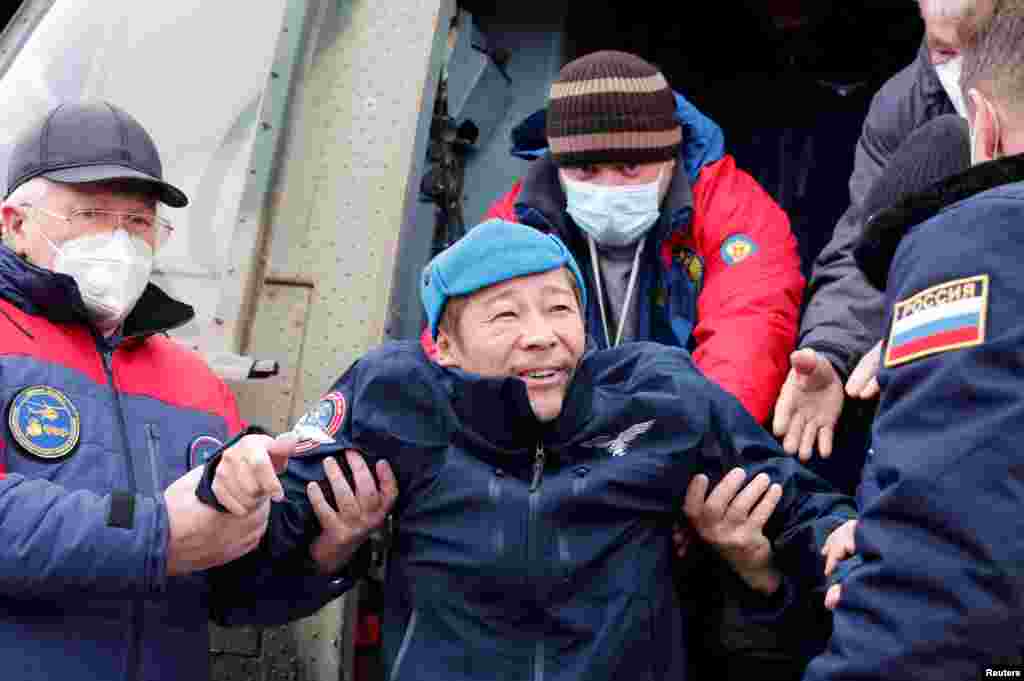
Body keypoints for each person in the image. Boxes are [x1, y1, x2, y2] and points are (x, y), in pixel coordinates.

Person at [202, 217, 857, 681]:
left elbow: (804, 511)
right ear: (446, 346)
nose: (542, 335)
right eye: (506, 315)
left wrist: (836, 544)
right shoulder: (395, 398)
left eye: (559, 309)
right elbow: (245, 579)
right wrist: (246, 497)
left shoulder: (659, 397)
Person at [0, 100, 394, 681]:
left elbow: (229, 597)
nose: (119, 239)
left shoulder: (195, 382)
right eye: (91, 213)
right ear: (15, 222)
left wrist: (326, 551)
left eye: (138, 222)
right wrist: (158, 532)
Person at [805, 2, 1024, 677]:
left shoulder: (981, 233)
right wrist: (838, 342)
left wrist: (894, 554)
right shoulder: (898, 103)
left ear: (981, 130)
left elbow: (935, 599)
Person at [441, 49, 804, 426]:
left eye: (629, 167)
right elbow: (458, 338)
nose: (608, 187)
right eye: (586, 170)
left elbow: (746, 337)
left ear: (670, 158)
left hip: (684, 435)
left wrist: (689, 445)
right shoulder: (518, 221)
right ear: (558, 165)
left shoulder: (732, 209)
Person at [773, 0, 983, 463]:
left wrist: (933, 326)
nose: (962, 69)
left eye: (978, 45)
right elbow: (865, 239)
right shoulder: (901, 103)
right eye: (944, 53)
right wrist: (829, 347)